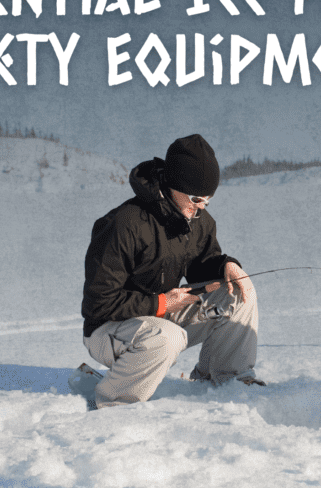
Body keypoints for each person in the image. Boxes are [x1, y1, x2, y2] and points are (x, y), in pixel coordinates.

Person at [81, 134, 262, 409]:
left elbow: (204, 262)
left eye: (207, 201)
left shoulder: (196, 219)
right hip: (108, 329)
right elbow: (99, 303)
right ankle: (115, 404)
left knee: (237, 293)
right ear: (172, 185)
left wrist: (226, 264)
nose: (200, 207)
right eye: (195, 198)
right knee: (166, 337)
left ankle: (228, 382)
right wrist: (163, 303)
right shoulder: (123, 225)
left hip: (161, 316)